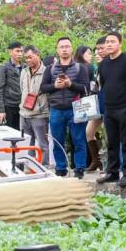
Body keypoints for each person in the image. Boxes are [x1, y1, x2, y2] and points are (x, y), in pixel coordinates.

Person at [39, 37, 92, 178]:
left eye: (67, 46)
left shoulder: (80, 68)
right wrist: (55, 86)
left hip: (76, 109)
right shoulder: (50, 69)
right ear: (57, 49)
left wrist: (71, 84)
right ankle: (60, 168)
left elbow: (86, 88)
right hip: (56, 110)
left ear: (71, 49)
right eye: (61, 46)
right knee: (57, 142)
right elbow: (43, 88)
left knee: (79, 140)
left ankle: (79, 168)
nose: (64, 49)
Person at [96, 32, 126, 186]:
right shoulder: (103, 64)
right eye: (107, 42)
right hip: (109, 108)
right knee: (111, 143)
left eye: (112, 41)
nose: (109, 44)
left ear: (120, 43)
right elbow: (103, 84)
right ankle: (112, 172)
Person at [19, 45, 51, 167]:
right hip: (24, 113)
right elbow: (22, 89)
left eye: (30, 57)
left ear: (38, 55)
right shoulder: (24, 71)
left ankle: (45, 167)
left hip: (40, 113)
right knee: (27, 144)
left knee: (43, 143)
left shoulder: (46, 71)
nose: (28, 60)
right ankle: (29, 167)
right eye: (26, 58)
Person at [77, 45, 103, 174]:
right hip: (95, 105)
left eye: (99, 52)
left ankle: (113, 165)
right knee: (89, 132)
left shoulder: (100, 67)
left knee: (111, 136)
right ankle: (96, 160)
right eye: (94, 52)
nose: (95, 54)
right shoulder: (95, 68)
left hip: (108, 106)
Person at [0, 42, 24, 132]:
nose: (20, 54)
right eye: (17, 51)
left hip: (22, 107)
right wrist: (0, 110)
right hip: (9, 106)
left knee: (21, 133)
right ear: (10, 52)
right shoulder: (3, 68)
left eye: (21, 51)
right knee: (9, 133)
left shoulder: (25, 67)